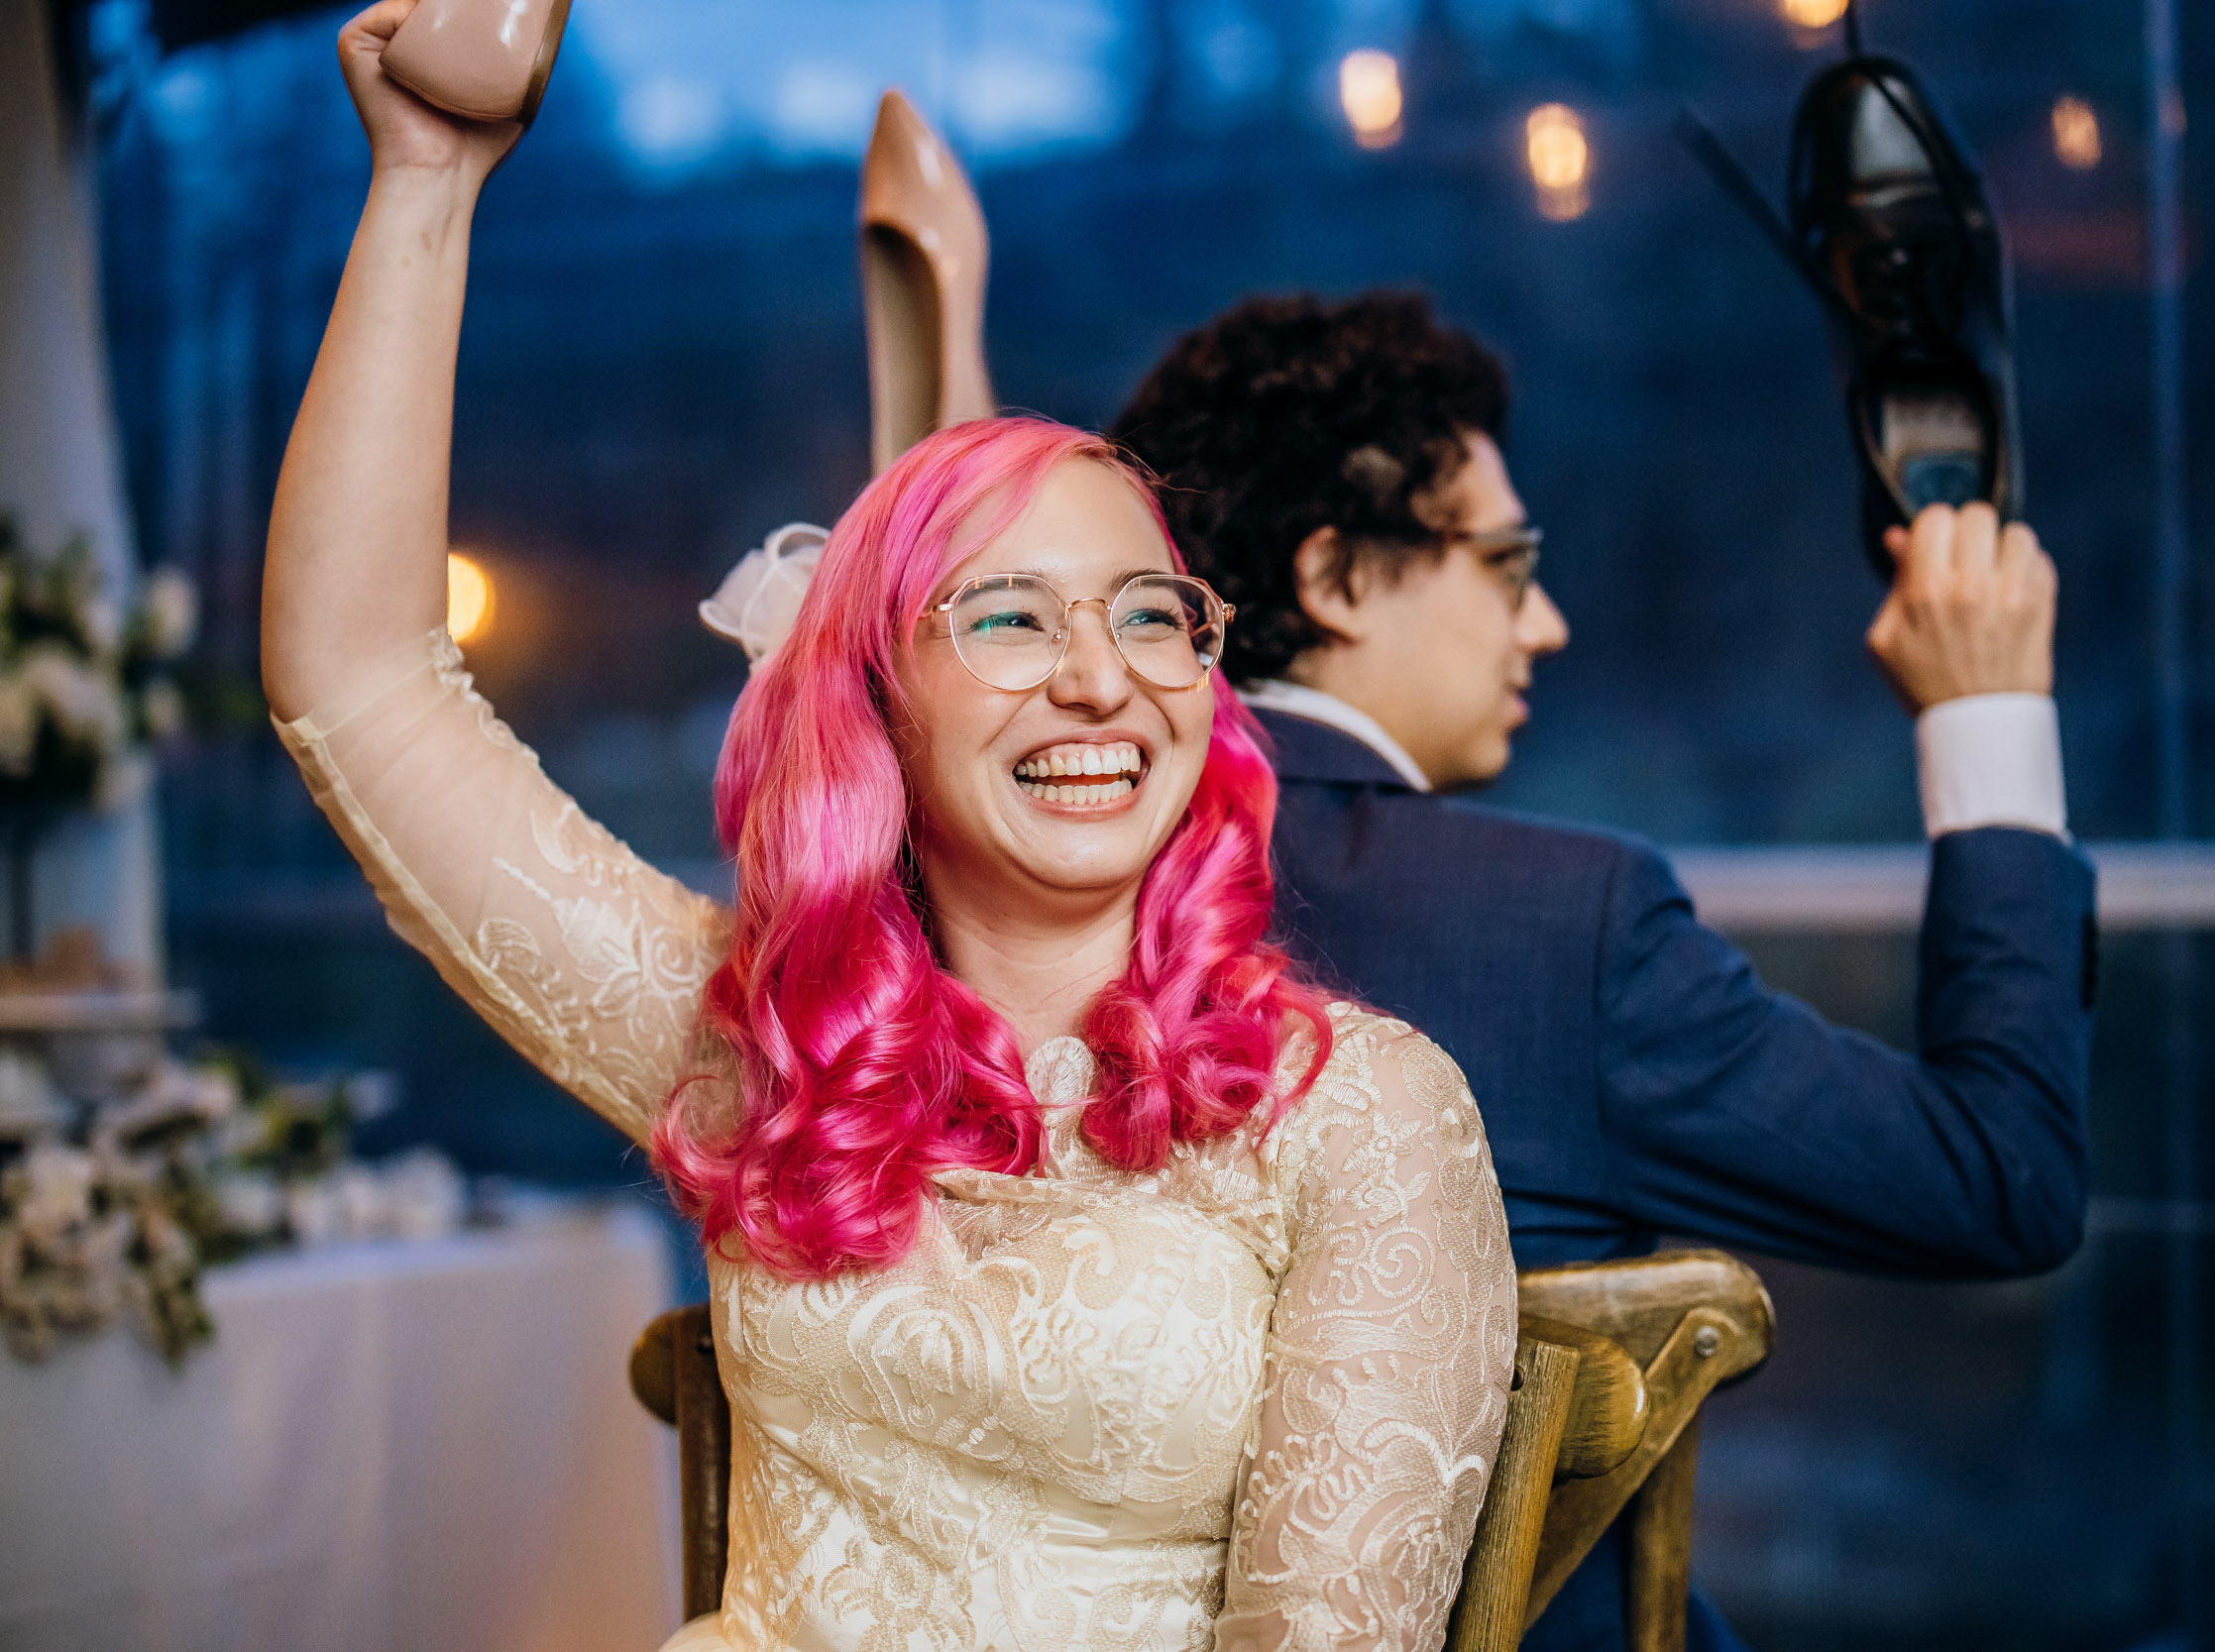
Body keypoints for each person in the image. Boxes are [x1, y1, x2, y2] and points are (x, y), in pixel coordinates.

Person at [261, 12, 1514, 1649]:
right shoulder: (761, 1047)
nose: (1099, 681)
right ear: (876, 707)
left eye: (1152, 617)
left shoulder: (1364, 1120)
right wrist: (428, 177)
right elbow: (360, 689)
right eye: (1007, 622)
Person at [1110, 291, 2095, 1650]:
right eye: (1508, 567)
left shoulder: (1045, 890)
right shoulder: (1560, 927)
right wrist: (1989, 714)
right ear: (1335, 579)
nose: (1548, 625)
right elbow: (2005, 1180)